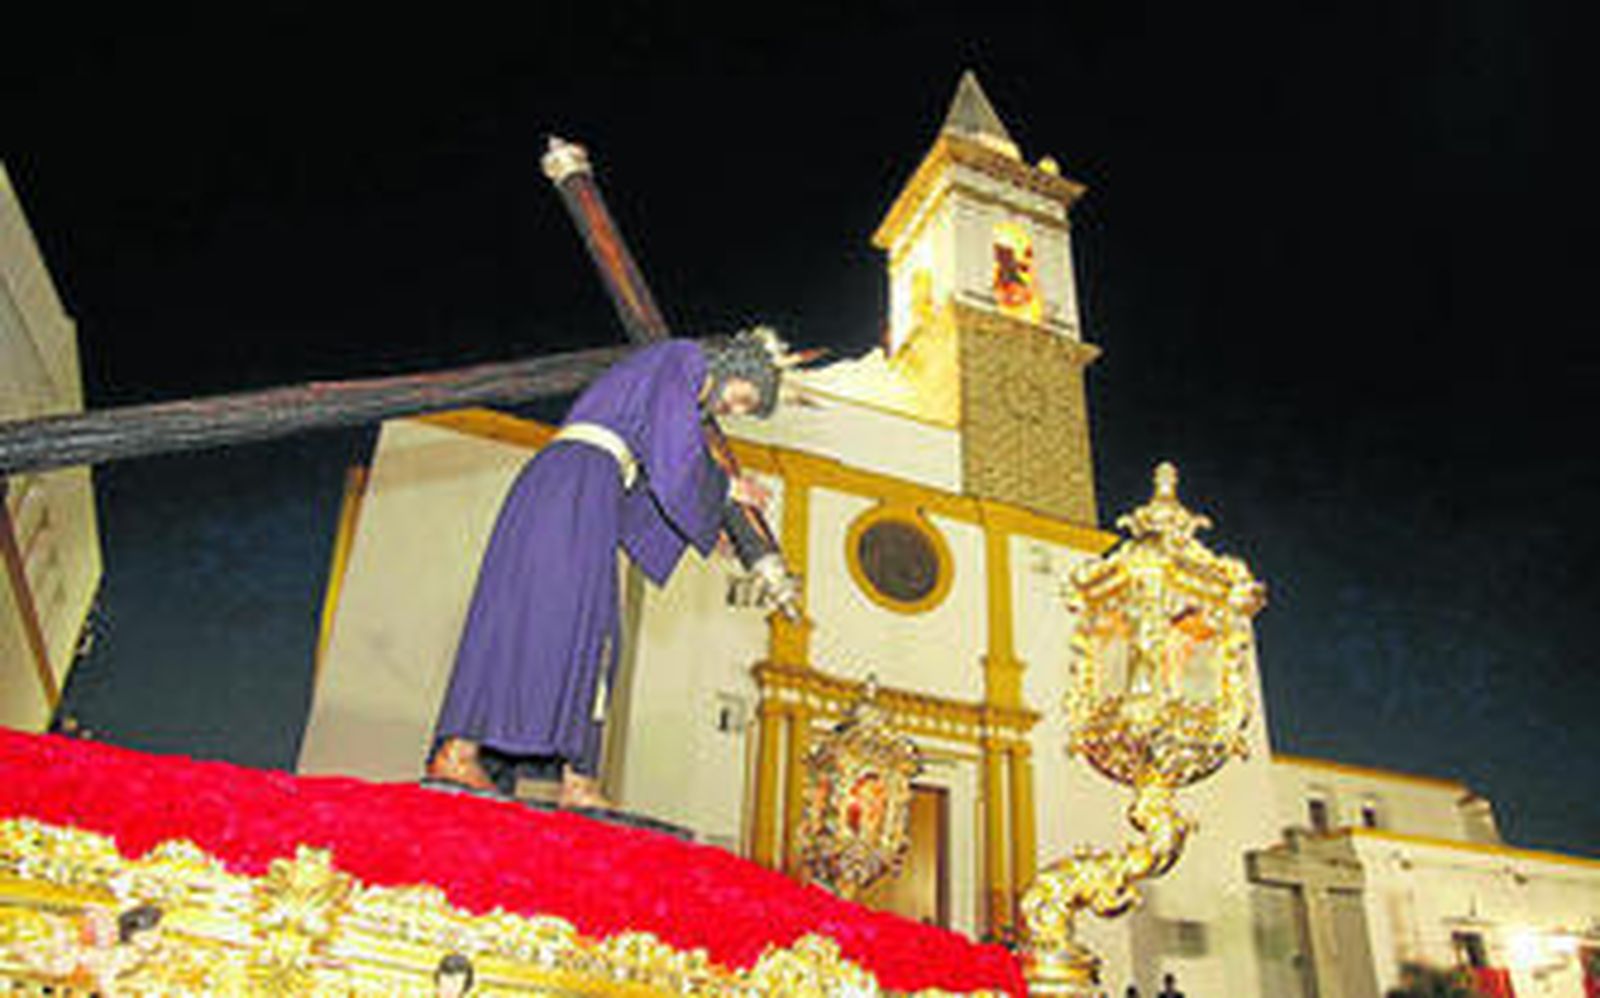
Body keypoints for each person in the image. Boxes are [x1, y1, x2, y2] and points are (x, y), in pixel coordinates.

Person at [427, 332, 785, 807]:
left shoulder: (662, 402)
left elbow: (653, 482)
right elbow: (675, 457)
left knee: (590, 629)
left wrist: (702, 524)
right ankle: (463, 754)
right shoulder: (683, 359)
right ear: (738, 368)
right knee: (537, 615)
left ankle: (575, 778)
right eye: (746, 398)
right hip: (571, 487)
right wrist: (722, 489)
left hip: (589, 491)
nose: (736, 411)